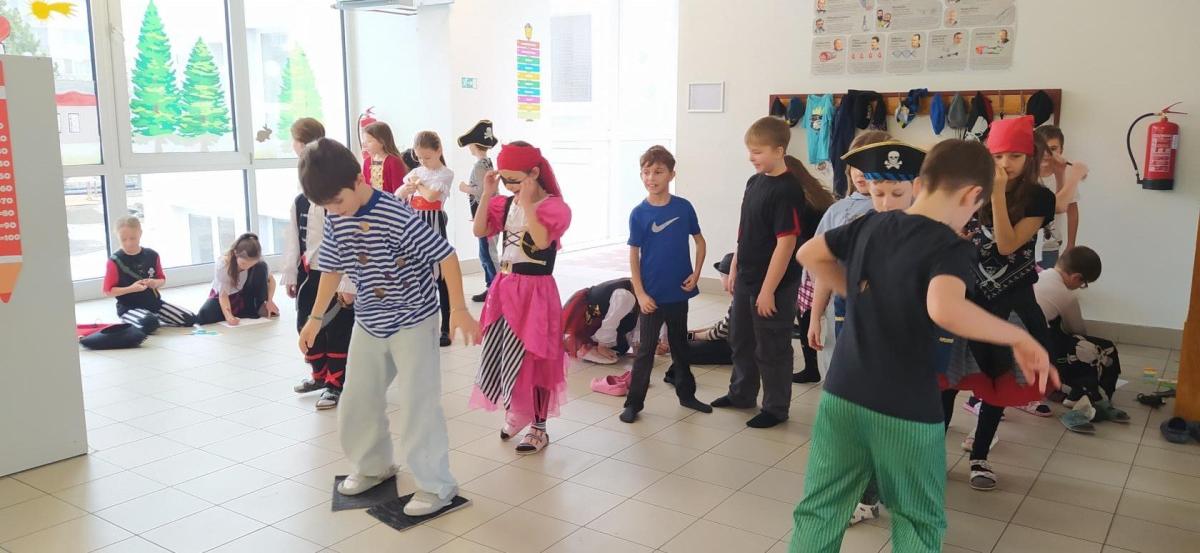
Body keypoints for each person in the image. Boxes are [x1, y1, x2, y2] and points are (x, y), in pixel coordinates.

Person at [791, 139, 1057, 553]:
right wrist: (1017, 336)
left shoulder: (870, 224)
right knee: (917, 518)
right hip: (906, 408)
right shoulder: (951, 246)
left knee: (821, 507)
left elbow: (809, 253)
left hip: (842, 393)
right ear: (973, 196)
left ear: (920, 184)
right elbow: (945, 308)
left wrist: (855, 291)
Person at [296, 137, 478, 516]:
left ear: (358, 180)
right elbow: (331, 268)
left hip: (414, 319)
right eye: (328, 206)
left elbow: (445, 256)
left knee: (417, 404)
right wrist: (314, 318)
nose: (335, 211)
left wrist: (458, 309)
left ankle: (437, 486)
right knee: (357, 398)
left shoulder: (396, 215)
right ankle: (373, 465)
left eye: (338, 202)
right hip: (369, 320)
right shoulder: (336, 216)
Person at [944, 116, 1060, 492]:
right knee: (948, 382)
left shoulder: (1039, 198)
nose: (1005, 164)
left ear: (1030, 157)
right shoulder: (970, 190)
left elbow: (1008, 245)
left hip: (1010, 304)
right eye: (997, 156)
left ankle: (979, 455)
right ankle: (930, 453)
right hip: (967, 299)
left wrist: (994, 194)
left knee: (997, 384)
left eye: (1014, 156)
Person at [470, 141, 572, 455]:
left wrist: (528, 204)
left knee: (537, 358)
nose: (510, 186)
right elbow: (479, 230)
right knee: (505, 352)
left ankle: (539, 427)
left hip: (536, 291)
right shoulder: (504, 203)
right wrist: (487, 194)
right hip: (505, 287)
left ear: (535, 173)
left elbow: (541, 242)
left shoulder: (555, 207)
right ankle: (515, 412)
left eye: (515, 179)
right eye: (505, 179)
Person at [709, 116, 809, 429]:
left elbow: (786, 243)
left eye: (757, 151)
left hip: (774, 285)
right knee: (741, 338)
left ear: (779, 151)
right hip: (747, 277)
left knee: (772, 347)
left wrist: (768, 291)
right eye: (750, 151)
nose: (751, 157)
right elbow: (745, 231)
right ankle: (741, 393)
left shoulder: (788, 189)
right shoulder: (754, 182)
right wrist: (734, 265)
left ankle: (776, 408)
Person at [622, 145, 711, 423]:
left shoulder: (683, 207)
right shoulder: (639, 213)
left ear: (671, 174)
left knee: (679, 345)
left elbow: (700, 241)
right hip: (651, 294)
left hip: (678, 292)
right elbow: (634, 255)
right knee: (646, 350)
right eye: (646, 172)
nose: (651, 178)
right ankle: (633, 403)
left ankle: (687, 395)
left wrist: (696, 273)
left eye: (658, 172)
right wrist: (640, 292)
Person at [281, 118, 355, 411]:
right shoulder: (300, 201)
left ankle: (336, 383)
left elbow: (350, 244)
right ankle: (319, 375)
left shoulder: (339, 201)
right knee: (307, 324)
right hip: (309, 273)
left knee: (336, 327)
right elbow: (293, 239)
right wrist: (291, 274)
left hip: (337, 276)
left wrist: (348, 283)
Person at [807, 131, 892, 355]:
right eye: (856, 165)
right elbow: (824, 266)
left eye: (868, 166)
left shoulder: (900, 208)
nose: (860, 173)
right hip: (841, 310)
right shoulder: (837, 211)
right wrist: (815, 316)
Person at [1035, 246, 1127, 421]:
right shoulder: (1065, 295)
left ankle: (1063, 387)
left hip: (1013, 338)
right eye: (1083, 284)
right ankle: (1087, 393)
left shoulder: (1040, 275)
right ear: (1076, 277)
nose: (1080, 287)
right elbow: (1077, 331)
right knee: (1097, 348)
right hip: (1034, 347)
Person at [399, 130, 456, 347]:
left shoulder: (445, 173)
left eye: (427, 157)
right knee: (415, 274)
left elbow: (432, 197)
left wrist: (417, 185)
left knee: (441, 276)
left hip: (434, 226)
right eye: (420, 157)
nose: (423, 161)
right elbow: (399, 194)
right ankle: (419, 324)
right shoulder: (416, 172)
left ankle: (445, 327)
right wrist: (409, 187)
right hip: (414, 226)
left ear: (438, 151)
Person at [787, 155, 836, 384]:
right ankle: (812, 366)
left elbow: (797, 239)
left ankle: (811, 367)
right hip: (826, 261)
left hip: (810, 265)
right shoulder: (819, 195)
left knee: (806, 316)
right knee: (812, 316)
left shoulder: (798, 202)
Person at [102, 216, 196, 329]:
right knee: (150, 324)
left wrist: (155, 283)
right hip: (129, 307)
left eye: (133, 238)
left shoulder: (152, 255)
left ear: (140, 233)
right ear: (117, 237)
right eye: (124, 239)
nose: (129, 243)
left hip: (154, 303)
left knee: (190, 318)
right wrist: (131, 289)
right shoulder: (114, 261)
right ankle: (140, 318)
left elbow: (162, 279)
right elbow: (108, 291)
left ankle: (152, 316)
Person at [458, 120, 500, 303]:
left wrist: (464, 188)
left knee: (488, 253)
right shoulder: (487, 163)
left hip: (486, 215)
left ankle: (496, 288)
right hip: (488, 213)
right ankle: (492, 287)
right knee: (487, 252)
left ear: (474, 145)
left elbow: (482, 190)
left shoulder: (479, 166)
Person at [1034, 125, 1088, 268]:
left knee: (1049, 280)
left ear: (1061, 150)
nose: (1046, 153)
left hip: (1051, 246)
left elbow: (1071, 211)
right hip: (1025, 243)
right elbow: (1056, 206)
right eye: (1042, 148)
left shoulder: (1067, 175)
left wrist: (1071, 244)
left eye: (1053, 148)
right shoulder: (1027, 174)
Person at [196, 233, 278, 325]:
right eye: (243, 263)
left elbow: (271, 280)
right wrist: (228, 316)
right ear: (235, 253)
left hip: (245, 295)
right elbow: (223, 295)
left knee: (261, 267)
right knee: (205, 314)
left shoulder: (257, 264)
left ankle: (259, 305)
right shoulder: (223, 264)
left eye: (251, 264)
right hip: (224, 297)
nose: (247, 267)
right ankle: (240, 311)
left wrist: (270, 301)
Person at [360, 122, 406, 194]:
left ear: (382, 141)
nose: (365, 145)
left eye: (369, 141)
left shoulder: (394, 162)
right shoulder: (367, 162)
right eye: (364, 142)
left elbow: (398, 191)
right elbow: (365, 188)